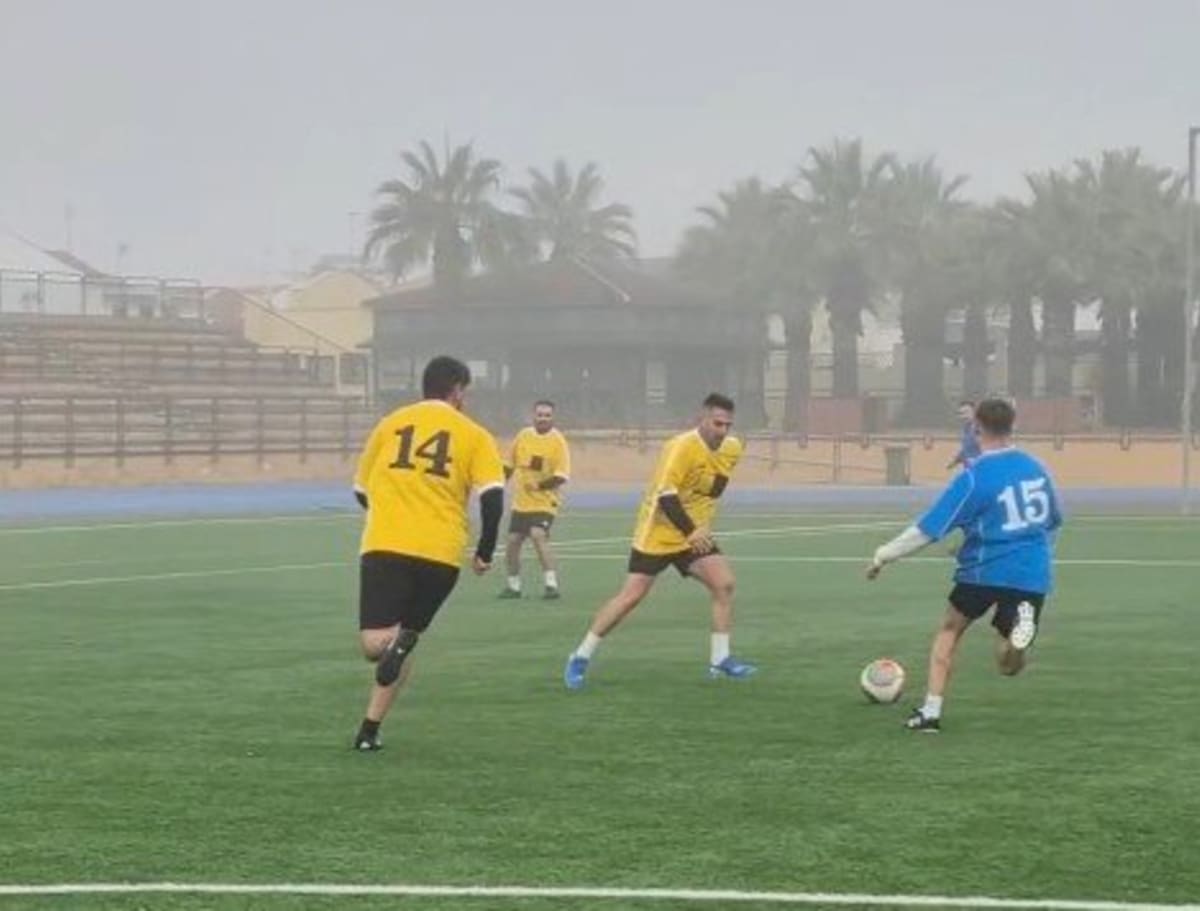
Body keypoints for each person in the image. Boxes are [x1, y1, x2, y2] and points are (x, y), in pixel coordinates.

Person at [866, 397, 1063, 733]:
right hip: (1032, 572)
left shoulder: (974, 478)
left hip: (984, 570)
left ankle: (931, 713)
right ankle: (1017, 641)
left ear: (976, 428)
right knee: (1008, 665)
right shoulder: (1037, 469)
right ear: (1012, 426)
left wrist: (883, 555)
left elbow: (927, 530)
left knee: (949, 630)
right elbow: (1053, 521)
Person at [350, 355, 505, 751]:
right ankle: (370, 729)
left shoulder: (391, 423)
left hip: (386, 544)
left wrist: (391, 513)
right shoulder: (475, 435)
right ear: (456, 391)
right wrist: (485, 550)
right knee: (406, 638)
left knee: (374, 646)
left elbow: (361, 490)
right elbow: (492, 496)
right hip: (441, 554)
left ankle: (392, 658)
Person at [563, 393, 756, 690]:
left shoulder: (732, 448)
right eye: (717, 423)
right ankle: (580, 656)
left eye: (727, 425)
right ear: (701, 419)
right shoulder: (680, 448)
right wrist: (691, 529)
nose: (722, 431)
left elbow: (712, 486)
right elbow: (666, 495)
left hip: (693, 535)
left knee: (724, 584)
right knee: (630, 597)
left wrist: (697, 529)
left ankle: (720, 660)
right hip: (658, 532)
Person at [499, 400, 571, 600]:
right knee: (513, 541)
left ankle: (551, 584)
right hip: (521, 502)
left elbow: (562, 475)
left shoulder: (558, 441)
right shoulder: (523, 436)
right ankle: (514, 586)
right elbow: (510, 465)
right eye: (540, 414)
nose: (543, 418)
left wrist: (538, 486)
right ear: (533, 416)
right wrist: (499, 483)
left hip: (545, 502)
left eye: (547, 415)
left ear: (552, 417)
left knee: (538, 534)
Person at [947, 399, 981, 470]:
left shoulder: (982, 427)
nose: (964, 416)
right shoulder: (966, 428)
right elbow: (965, 449)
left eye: (966, 412)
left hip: (980, 467)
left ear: (975, 411)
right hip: (969, 467)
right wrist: (954, 462)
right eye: (961, 413)